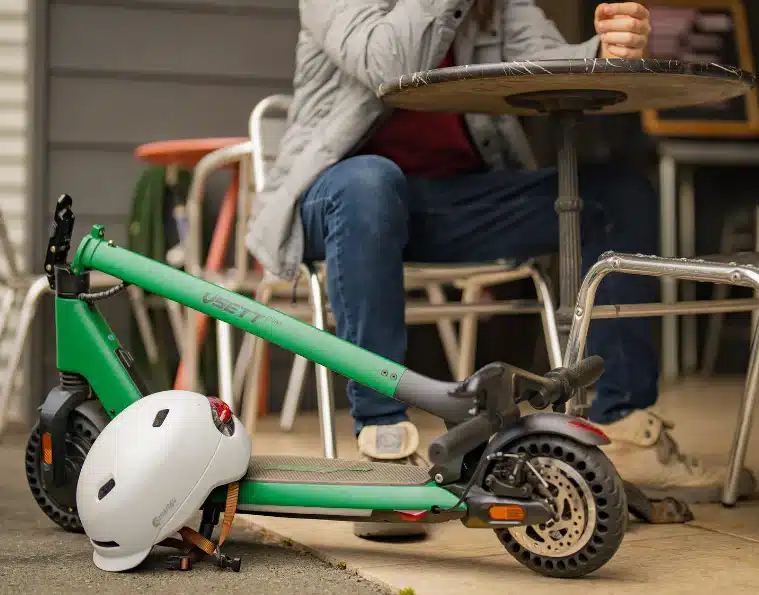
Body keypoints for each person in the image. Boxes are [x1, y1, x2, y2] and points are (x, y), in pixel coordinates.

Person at [247, 1, 755, 538]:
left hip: (450, 206)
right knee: (372, 184)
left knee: (616, 196)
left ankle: (624, 428)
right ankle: (384, 446)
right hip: (341, 198)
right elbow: (387, 64)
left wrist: (607, 47)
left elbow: (548, 59)